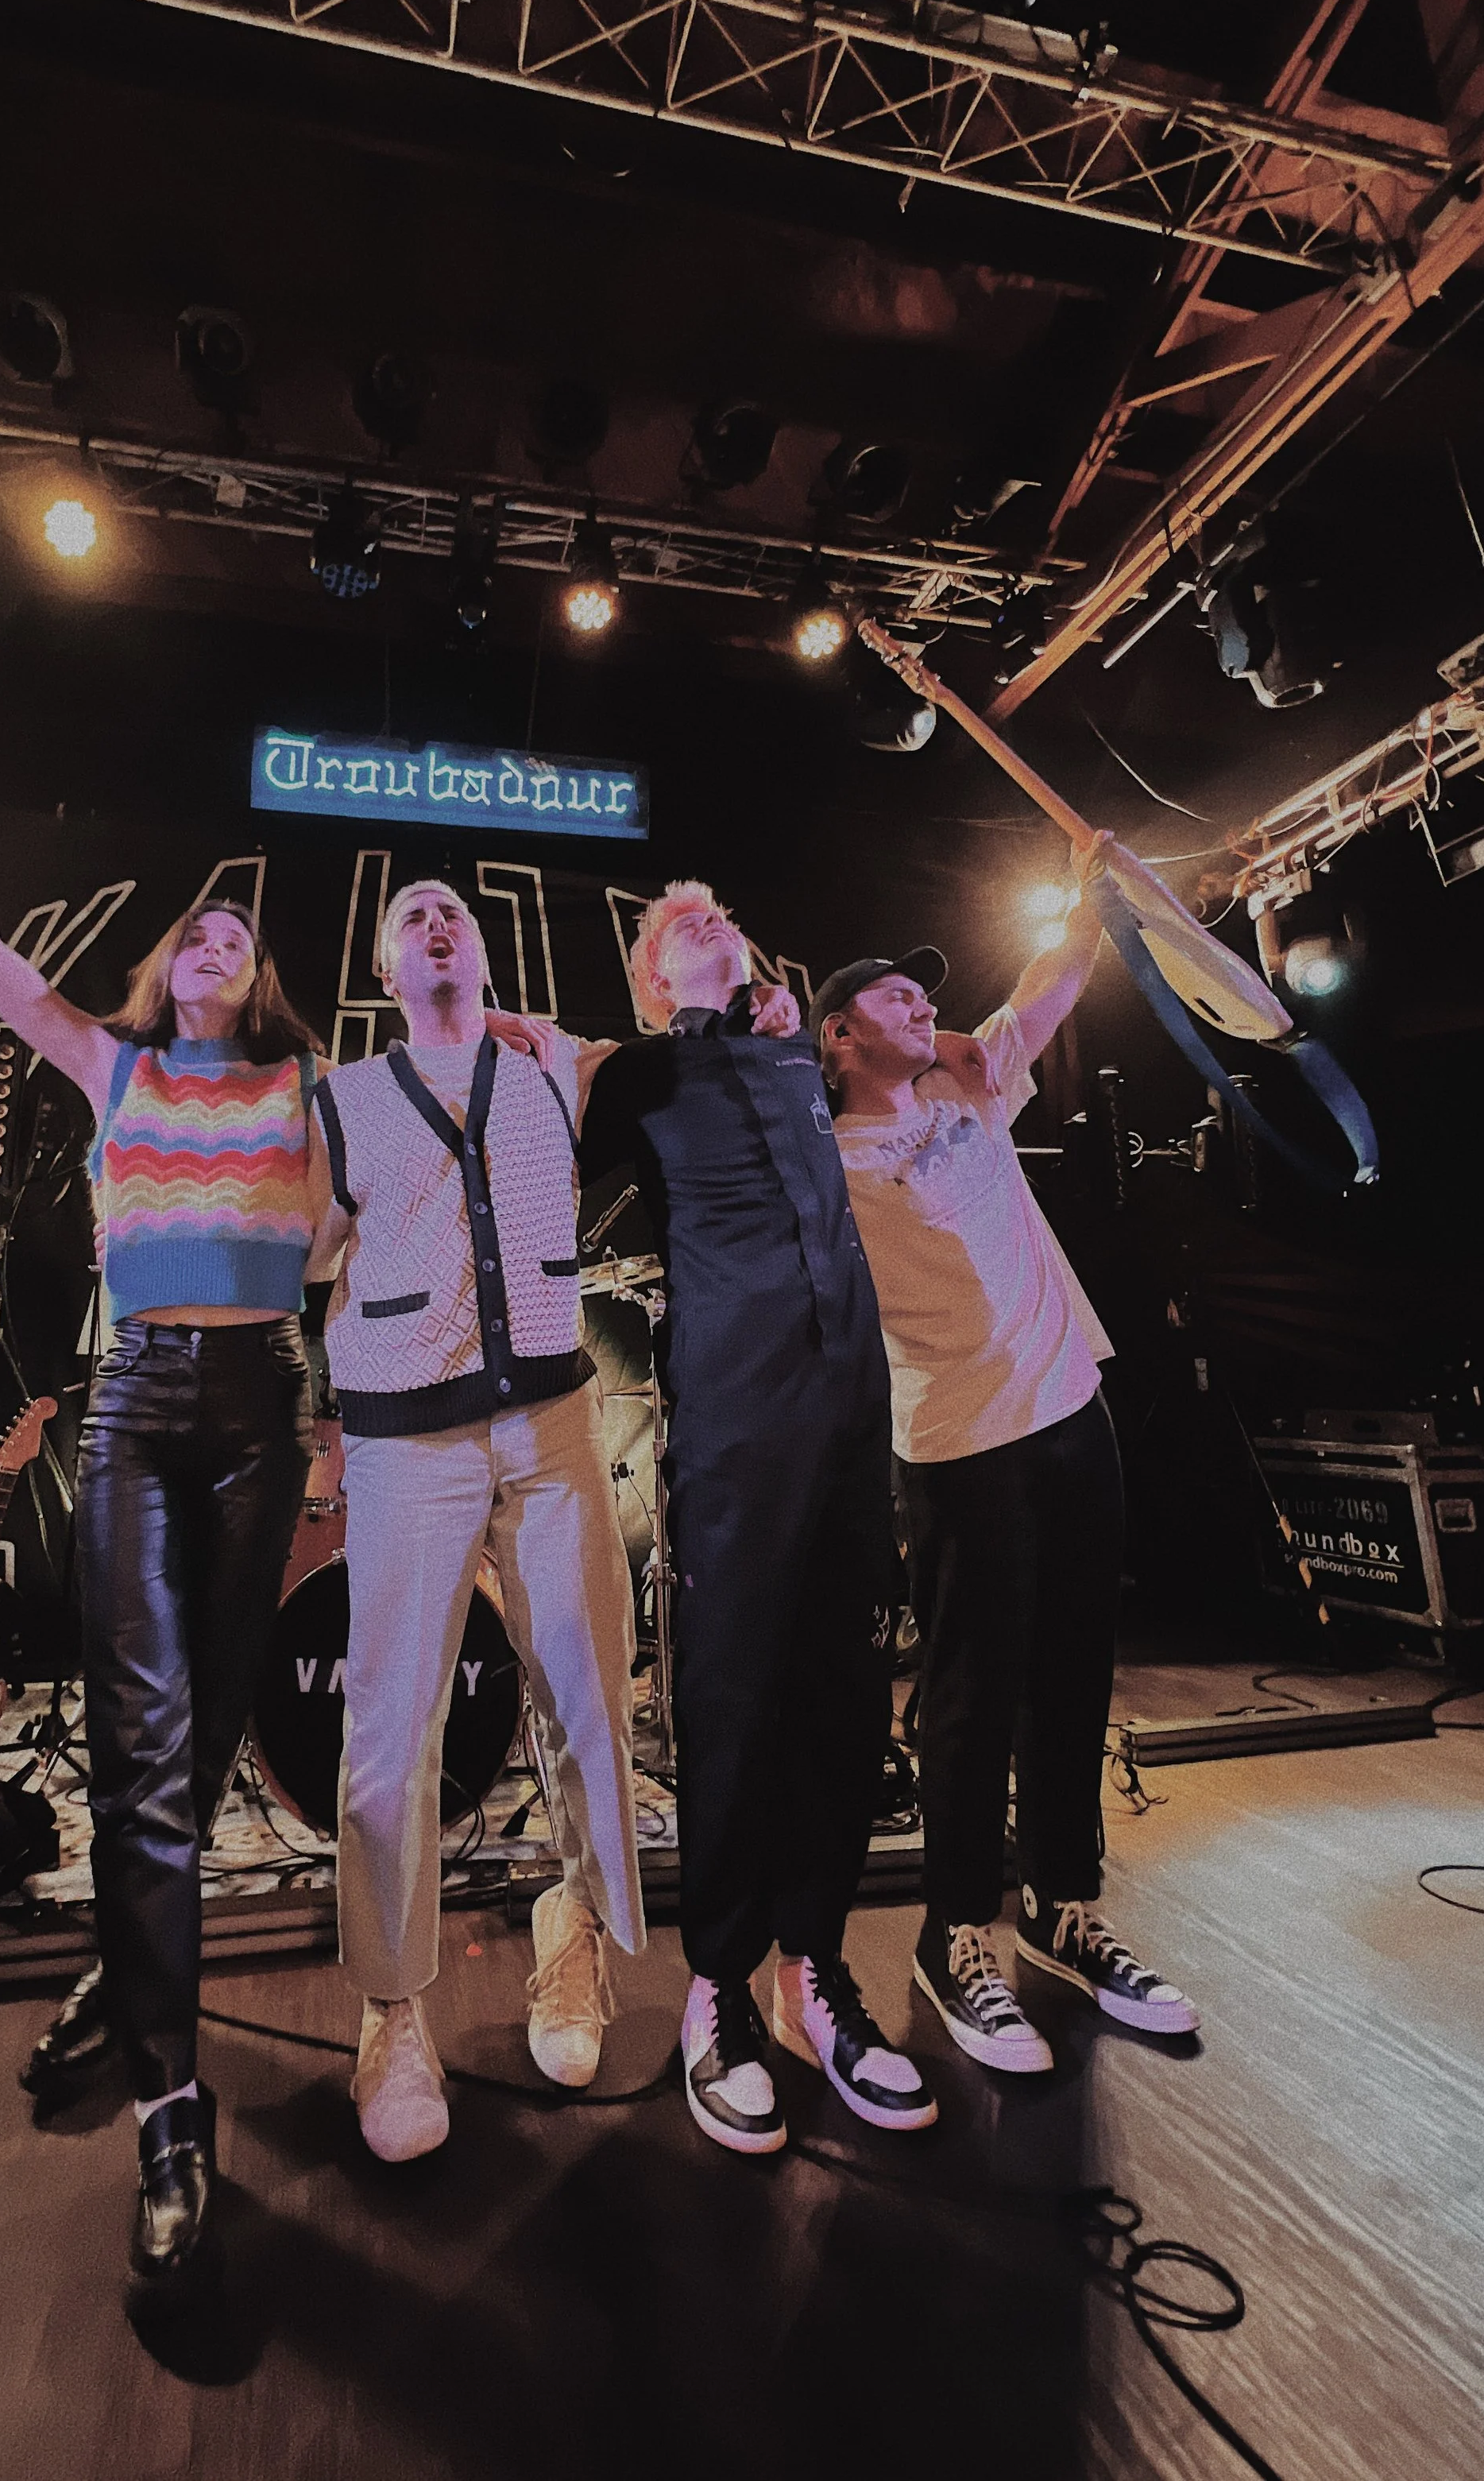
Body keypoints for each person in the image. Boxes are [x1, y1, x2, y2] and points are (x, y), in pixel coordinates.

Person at [0, 686, 331, 2278]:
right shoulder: (111, 1065)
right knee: (141, 1742)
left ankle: (131, 1955)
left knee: (211, 1722)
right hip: (140, 1402)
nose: (216, 942)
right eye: (197, 933)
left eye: (239, 938)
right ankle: (172, 2108)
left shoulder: (302, 1089)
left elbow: (370, 1216)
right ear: (165, 965)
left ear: (259, 981)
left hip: (266, 1406)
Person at [577, 884, 968, 2154]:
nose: (710, 920)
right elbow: (527, 1144)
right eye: (678, 922)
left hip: (851, 1410)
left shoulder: (802, 1055)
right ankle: (720, 1988)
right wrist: (548, 1047)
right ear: (651, 977)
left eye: (720, 914)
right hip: (737, 1417)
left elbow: (942, 1062)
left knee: (846, 1697)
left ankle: (817, 1971)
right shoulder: (639, 1076)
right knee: (734, 1699)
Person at [811, 832, 1200, 2077]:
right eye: (890, 996)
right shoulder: (823, 1158)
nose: (917, 1003)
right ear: (837, 1037)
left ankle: (1060, 1905)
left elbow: (1051, 980)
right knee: (970, 1695)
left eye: (921, 992)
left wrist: (1092, 887)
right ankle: (954, 1932)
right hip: (957, 1442)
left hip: (1071, 1406)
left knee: (1074, 1670)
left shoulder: (969, 1089)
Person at [309, 879, 647, 2162]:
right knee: (392, 1727)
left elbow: (665, 1052)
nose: (437, 924)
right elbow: (300, 1250)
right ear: (385, 970)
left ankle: (576, 1933)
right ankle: (393, 2010)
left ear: (487, 952)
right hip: (408, 1439)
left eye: (454, 911)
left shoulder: (554, 1064)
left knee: (592, 1693)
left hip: (554, 1423)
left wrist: (554, 1034)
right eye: (412, 918)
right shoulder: (344, 1099)